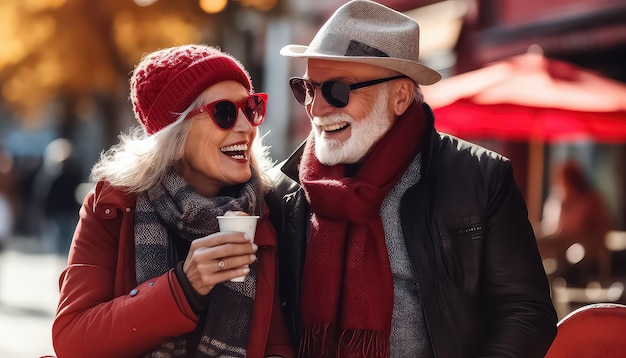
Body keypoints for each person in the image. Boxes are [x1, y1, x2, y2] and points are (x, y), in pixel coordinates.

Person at [267, 1, 558, 357]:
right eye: (307, 89)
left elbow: (527, 312)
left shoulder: (481, 179)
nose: (316, 108)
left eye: (337, 91)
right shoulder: (286, 190)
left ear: (400, 97)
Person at [51, 45, 293, 358]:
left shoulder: (271, 206)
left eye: (251, 107)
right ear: (174, 136)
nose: (247, 127)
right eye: (224, 113)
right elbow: (73, 339)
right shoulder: (113, 207)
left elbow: (278, 343)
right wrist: (183, 287)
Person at [538, 159, 613, 284]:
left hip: (587, 248)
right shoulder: (558, 199)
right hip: (562, 244)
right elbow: (553, 226)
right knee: (533, 239)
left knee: (574, 252)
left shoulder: (591, 200)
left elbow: (575, 226)